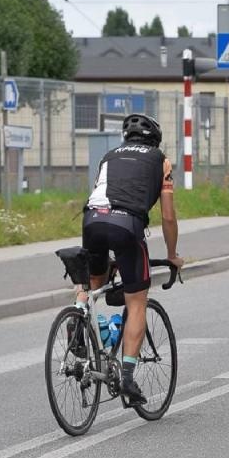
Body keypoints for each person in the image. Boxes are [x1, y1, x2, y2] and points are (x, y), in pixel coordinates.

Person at [80, 113, 183, 406]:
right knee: (136, 300)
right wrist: (173, 255)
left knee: (91, 282)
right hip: (127, 225)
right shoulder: (160, 160)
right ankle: (126, 376)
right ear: (155, 139)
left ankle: (78, 317)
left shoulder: (108, 156)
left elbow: (105, 195)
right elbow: (167, 216)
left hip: (91, 220)